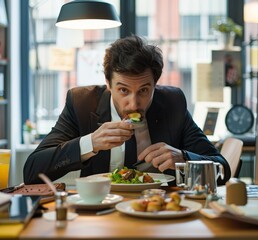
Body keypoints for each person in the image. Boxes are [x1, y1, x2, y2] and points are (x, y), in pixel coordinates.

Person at [23, 35, 231, 185]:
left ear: (155, 84)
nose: (133, 104)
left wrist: (184, 159)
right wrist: (90, 143)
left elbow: (223, 169)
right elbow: (31, 171)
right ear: (108, 83)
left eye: (143, 90)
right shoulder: (81, 103)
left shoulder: (172, 103)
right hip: (101, 211)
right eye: (123, 90)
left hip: (159, 211)